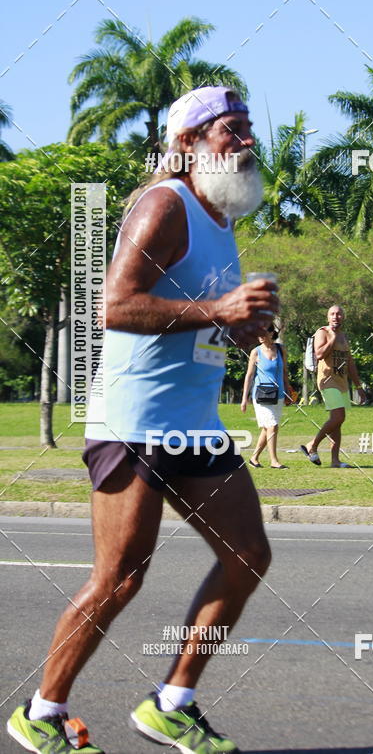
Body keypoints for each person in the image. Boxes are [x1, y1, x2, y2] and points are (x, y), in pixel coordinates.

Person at [6, 86, 278, 754]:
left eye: (248, 129)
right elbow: (116, 306)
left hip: (192, 421)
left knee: (247, 556)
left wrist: (256, 338)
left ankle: (172, 702)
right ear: (189, 144)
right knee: (120, 577)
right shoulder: (165, 205)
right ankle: (42, 712)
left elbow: (212, 317)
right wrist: (221, 309)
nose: (246, 141)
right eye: (230, 130)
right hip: (133, 419)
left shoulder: (222, 220)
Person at [300, 304, 365, 468]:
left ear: (343, 317)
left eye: (339, 314)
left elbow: (350, 363)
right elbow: (320, 354)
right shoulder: (322, 332)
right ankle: (312, 445)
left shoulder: (344, 336)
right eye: (332, 314)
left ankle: (335, 461)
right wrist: (332, 339)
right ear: (328, 317)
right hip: (327, 381)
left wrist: (358, 387)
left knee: (337, 422)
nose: (336, 317)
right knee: (338, 417)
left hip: (342, 382)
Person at [241, 324, 294, 469]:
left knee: (268, 428)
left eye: (263, 333)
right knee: (272, 426)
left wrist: (288, 390)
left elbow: (284, 372)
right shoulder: (255, 352)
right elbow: (249, 376)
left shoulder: (281, 350)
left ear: (271, 333)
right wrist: (244, 399)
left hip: (278, 394)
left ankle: (254, 457)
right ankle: (274, 460)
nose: (260, 336)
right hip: (261, 395)